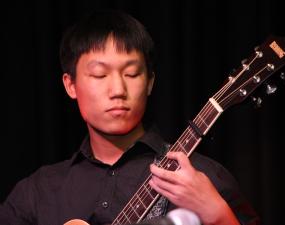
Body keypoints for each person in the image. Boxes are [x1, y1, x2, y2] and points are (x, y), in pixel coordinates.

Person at [0, 9, 260, 225]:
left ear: (149, 82)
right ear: (70, 85)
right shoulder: (37, 193)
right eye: (100, 75)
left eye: (132, 74)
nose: (118, 90)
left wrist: (219, 214)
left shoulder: (202, 177)